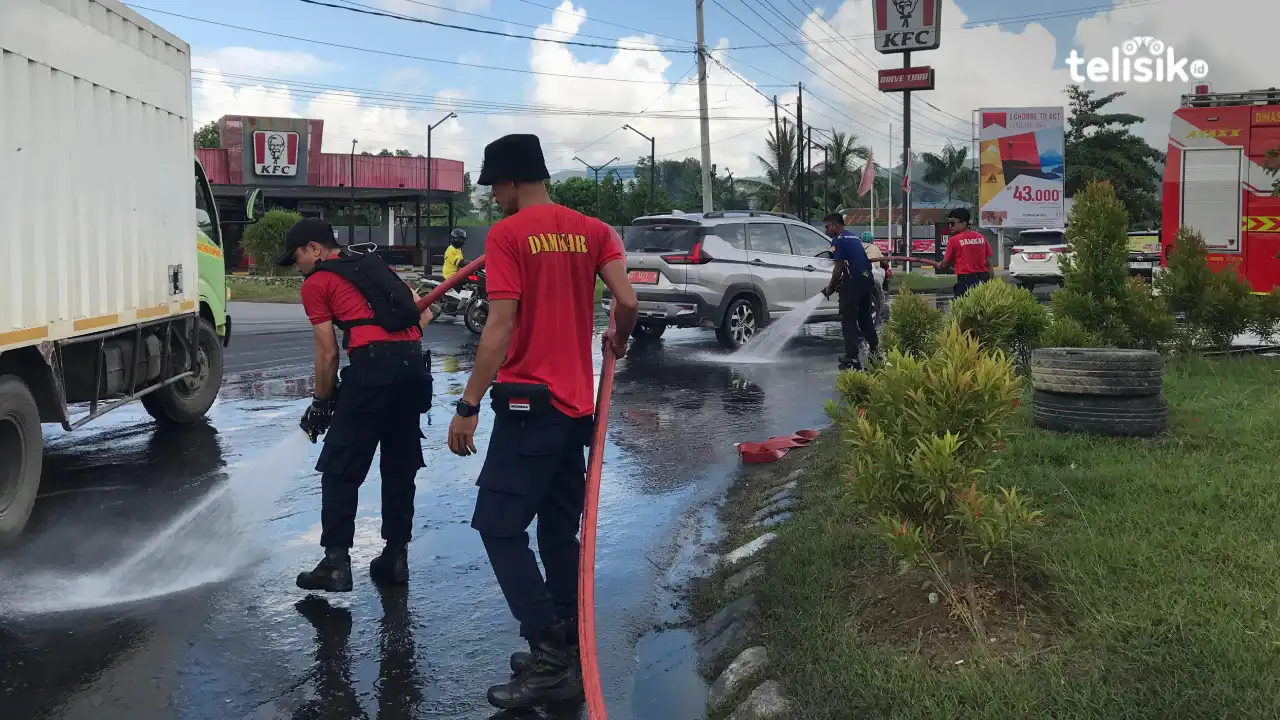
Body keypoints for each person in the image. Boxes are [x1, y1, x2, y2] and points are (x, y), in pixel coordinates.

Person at [446, 134, 639, 710]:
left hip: (530, 408)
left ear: (509, 181)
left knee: (498, 527)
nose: (495, 198)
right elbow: (626, 302)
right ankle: (567, 647)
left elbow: (500, 324)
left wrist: (467, 403)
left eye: (495, 188)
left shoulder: (508, 235)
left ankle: (550, 652)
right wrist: (617, 340)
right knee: (557, 532)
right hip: (577, 409)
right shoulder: (593, 229)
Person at [277, 219, 434, 593]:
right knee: (399, 465)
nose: (297, 265)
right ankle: (395, 558)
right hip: (413, 369)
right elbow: (422, 313)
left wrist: (320, 402)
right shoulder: (377, 265)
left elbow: (328, 353)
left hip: (372, 373)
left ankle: (335, 563)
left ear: (315, 249)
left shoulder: (317, 282)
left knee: (340, 467)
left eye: (297, 256)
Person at [822, 213, 878, 371]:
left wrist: (831, 286)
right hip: (867, 279)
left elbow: (838, 267)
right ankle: (875, 351)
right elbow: (855, 263)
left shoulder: (837, 240)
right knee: (865, 318)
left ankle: (851, 357)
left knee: (848, 320)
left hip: (854, 283)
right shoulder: (854, 237)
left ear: (835, 225)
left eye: (827, 227)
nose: (826, 230)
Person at [938, 207, 994, 297]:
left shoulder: (954, 240)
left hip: (965, 280)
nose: (949, 226)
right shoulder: (981, 237)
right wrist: (992, 282)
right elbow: (988, 263)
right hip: (983, 278)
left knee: (962, 307)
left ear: (964, 223)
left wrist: (941, 264)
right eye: (948, 223)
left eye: (952, 223)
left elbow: (945, 262)